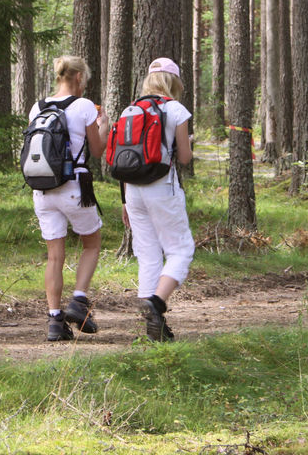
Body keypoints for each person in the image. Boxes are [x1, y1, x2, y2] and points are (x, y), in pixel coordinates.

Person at [28, 55, 108, 342]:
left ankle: (54, 321)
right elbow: (97, 149)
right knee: (92, 243)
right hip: (75, 185)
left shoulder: (37, 106)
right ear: (78, 78)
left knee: (54, 256)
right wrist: (104, 124)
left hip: (43, 189)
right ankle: (78, 300)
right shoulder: (84, 106)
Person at [122, 57, 195, 342]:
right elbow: (185, 158)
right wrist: (187, 141)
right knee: (181, 250)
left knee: (148, 254)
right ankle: (156, 303)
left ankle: (152, 325)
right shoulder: (176, 109)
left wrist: (125, 201)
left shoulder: (131, 109)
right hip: (162, 186)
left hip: (133, 189)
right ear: (173, 81)